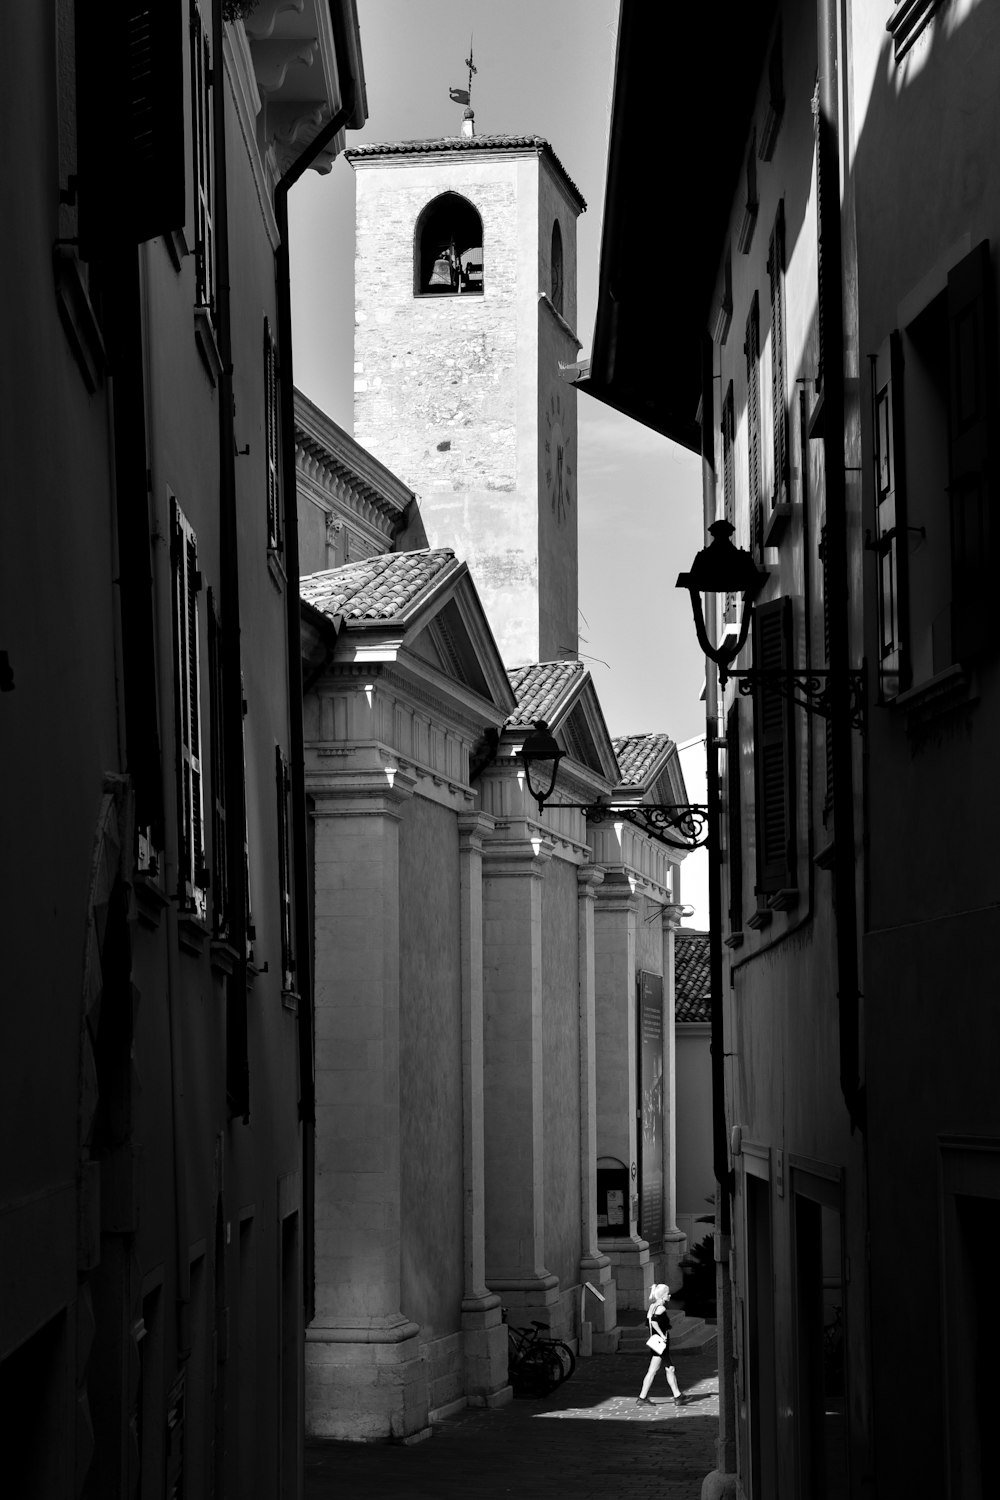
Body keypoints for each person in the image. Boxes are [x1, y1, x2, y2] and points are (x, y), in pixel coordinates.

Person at [636, 1283, 687, 1406]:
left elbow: (649, 1320)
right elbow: (653, 1322)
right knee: (662, 1369)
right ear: (663, 1296)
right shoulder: (661, 1308)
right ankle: (643, 1397)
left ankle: (677, 1395)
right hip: (660, 1343)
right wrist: (662, 1335)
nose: (669, 1295)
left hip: (656, 1342)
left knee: (664, 1369)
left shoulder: (652, 1307)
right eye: (668, 1293)